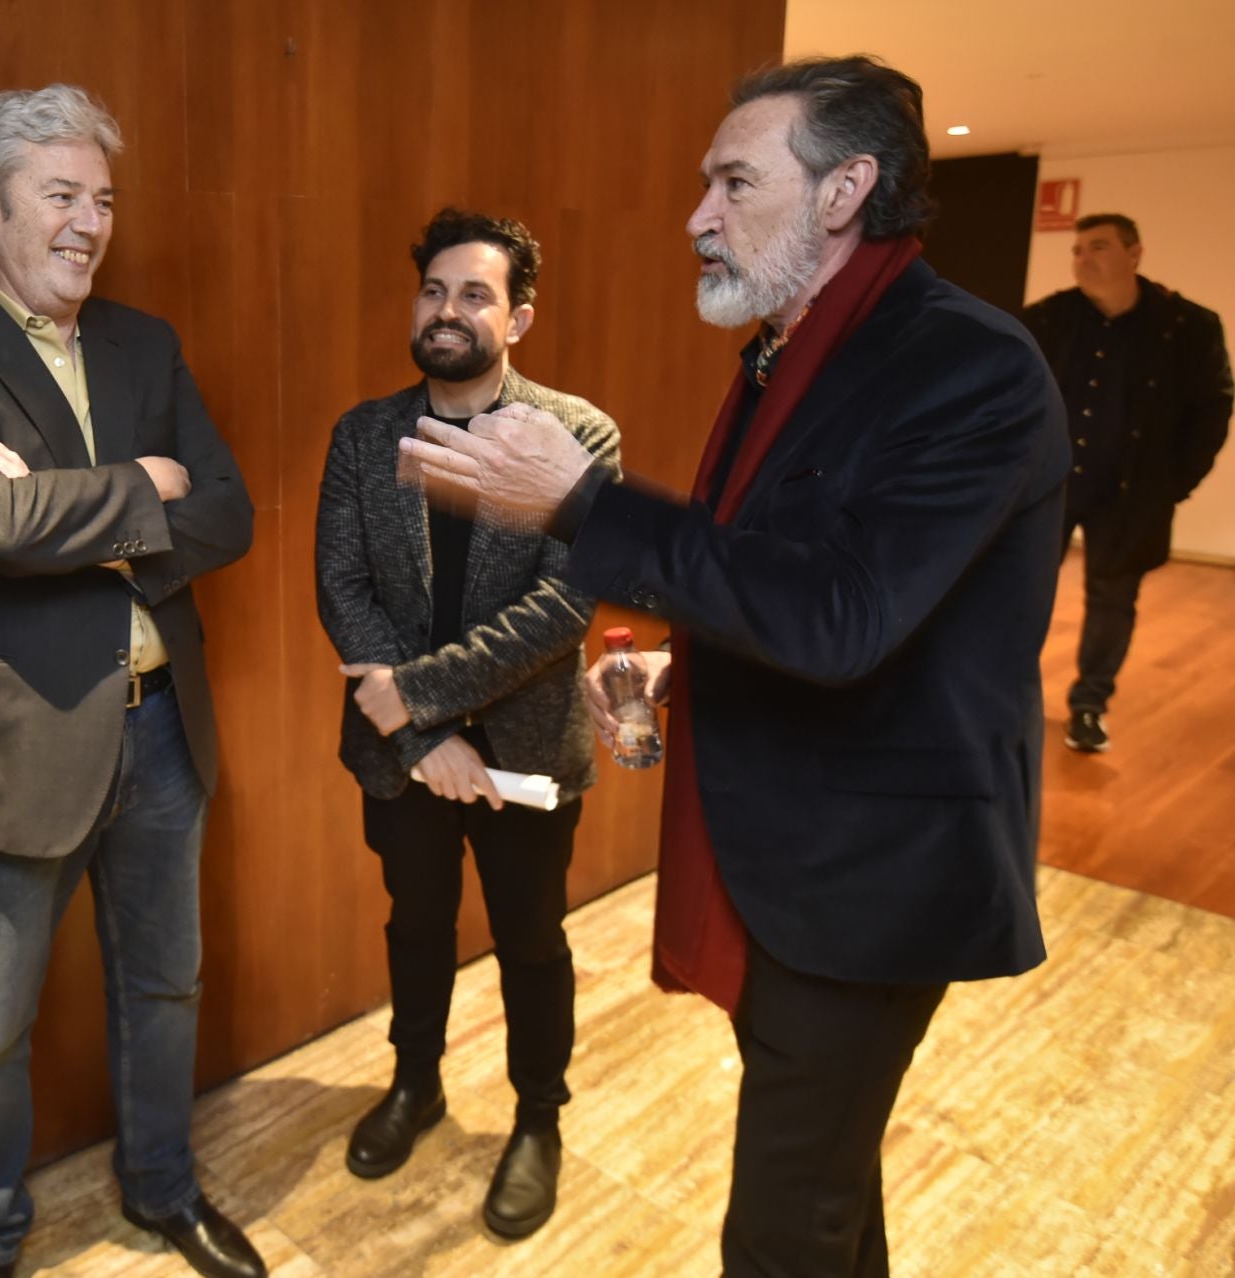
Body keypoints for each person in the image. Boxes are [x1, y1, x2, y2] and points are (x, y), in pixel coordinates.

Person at [399, 56, 1067, 1276]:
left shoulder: (969, 366)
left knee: (778, 1228)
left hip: (873, 883)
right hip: (790, 851)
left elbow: (843, 617)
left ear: (844, 190)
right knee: (824, 1197)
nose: (697, 216)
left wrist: (580, 502)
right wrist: (669, 671)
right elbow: (763, 570)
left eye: (732, 181)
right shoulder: (786, 354)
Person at [0, 85, 259, 1278]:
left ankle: (162, 1191)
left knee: (165, 988)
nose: (91, 223)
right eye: (62, 196)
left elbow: (227, 513)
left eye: (105, 200)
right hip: (6, 748)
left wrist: (54, 512)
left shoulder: (145, 342)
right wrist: (146, 483)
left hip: (160, 738)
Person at [314, 208, 618, 1239]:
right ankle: (416, 1085)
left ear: (519, 317)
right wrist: (420, 736)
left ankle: (539, 1119)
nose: (449, 312)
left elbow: (564, 605)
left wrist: (423, 697)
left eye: (475, 294)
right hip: (405, 757)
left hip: (526, 757)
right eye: (435, 291)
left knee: (532, 939)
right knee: (417, 924)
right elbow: (342, 587)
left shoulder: (577, 435)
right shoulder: (366, 433)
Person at [1023, 213, 1233, 752]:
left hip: (1131, 492)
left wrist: (1172, 484)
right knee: (1020, 586)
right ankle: (1008, 689)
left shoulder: (1188, 327)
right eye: (1076, 250)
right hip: (1050, 484)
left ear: (1134, 254)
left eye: (1098, 247)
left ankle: (1089, 705)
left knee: (1112, 601)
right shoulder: (1050, 318)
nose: (1083, 259)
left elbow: (1212, 410)